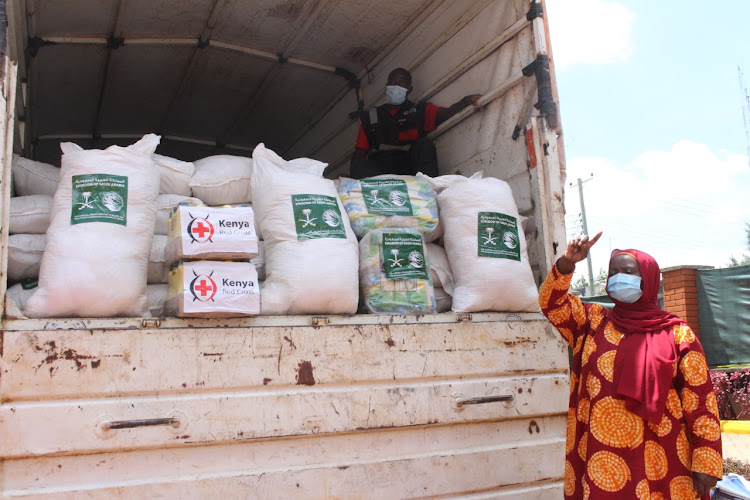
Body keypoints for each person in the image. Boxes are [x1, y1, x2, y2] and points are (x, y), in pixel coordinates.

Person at [539, 232, 723, 500]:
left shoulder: (678, 333)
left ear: (647, 279)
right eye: (613, 272)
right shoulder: (591, 321)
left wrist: (706, 463)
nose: (617, 277)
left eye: (627, 271)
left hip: (662, 454)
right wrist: (568, 263)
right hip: (600, 455)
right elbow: (551, 304)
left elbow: (701, 401)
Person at [349, 67, 480, 179]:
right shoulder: (372, 116)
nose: (396, 86)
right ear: (387, 86)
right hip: (379, 167)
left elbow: (446, 114)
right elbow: (360, 153)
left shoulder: (419, 110)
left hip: (408, 165)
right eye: (393, 82)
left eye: (401, 84)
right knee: (359, 165)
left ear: (409, 89)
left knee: (425, 144)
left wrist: (465, 101)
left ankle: (428, 187)